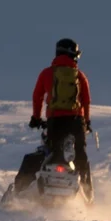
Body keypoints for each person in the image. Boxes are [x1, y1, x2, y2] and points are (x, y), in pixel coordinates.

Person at [15, 38, 92, 197]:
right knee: (81, 155)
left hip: (55, 121)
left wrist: (36, 117)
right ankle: (87, 192)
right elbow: (86, 100)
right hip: (76, 122)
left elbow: (37, 96)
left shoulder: (47, 73)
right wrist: (85, 122)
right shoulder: (79, 76)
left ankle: (22, 189)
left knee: (50, 153)